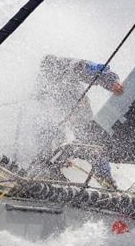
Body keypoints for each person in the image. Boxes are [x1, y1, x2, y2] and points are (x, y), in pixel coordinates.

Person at [32, 55, 124, 186]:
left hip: (79, 109)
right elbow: (43, 108)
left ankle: (106, 178)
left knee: (93, 142)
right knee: (47, 129)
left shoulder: (69, 66)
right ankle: (47, 167)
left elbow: (96, 69)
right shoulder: (43, 84)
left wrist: (112, 83)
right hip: (62, 115)